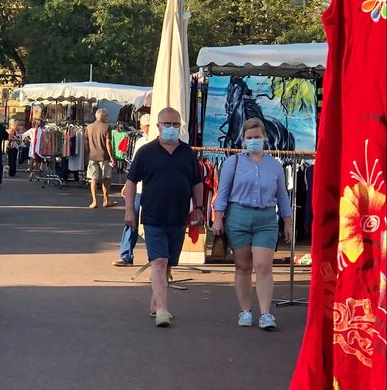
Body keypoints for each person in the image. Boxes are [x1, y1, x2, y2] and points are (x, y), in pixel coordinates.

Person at [124, 107, 203, 327]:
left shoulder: (187, 153)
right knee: (158, 261)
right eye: (166, 124)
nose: (171, 128)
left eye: (175, 125)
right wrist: (129, 210)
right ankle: (162, 310)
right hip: (153, 216)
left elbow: (197, 182)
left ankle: (155, 302)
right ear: (158, 126)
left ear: (180, 127)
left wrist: (199, 208)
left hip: (178, 218)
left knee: (168, 264)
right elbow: (130, 184)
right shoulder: (146, 152)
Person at [212, 117, 292, 331]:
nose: (253, 141)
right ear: (243, 139)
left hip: (266, 218)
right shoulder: (233, 162)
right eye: (249, 138)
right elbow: (223, 193)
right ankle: (245, 310)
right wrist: (218, 218)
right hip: (238, 216)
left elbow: (282, 195)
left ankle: (266, 313)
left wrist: (288, 221)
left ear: (264, 137)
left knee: (264, 266)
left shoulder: (274, 165)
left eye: (257, 137)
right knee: (243, 266)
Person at [113, 114, 151, 266]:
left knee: (152, 224)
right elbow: (135, 168)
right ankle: (126, 254)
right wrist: (128, 185)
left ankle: (155, 257)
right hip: (138, 188)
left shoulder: (159, 143)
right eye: (144, 126)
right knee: (131, 219)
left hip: (151, 190)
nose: (145, 128)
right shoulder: (141, 142)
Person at [84, 108, 116, 208]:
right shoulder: (107, 127)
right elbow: (108, 143)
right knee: (106, 178)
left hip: (92, 157)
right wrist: (111, 157)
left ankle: (94, 201)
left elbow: (86, 143)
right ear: (102, 116)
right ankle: (106, 200)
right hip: (104, 157)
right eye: (106, 116)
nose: (107, 117)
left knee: (93, 179)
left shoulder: (89, 127)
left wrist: (87, 154)